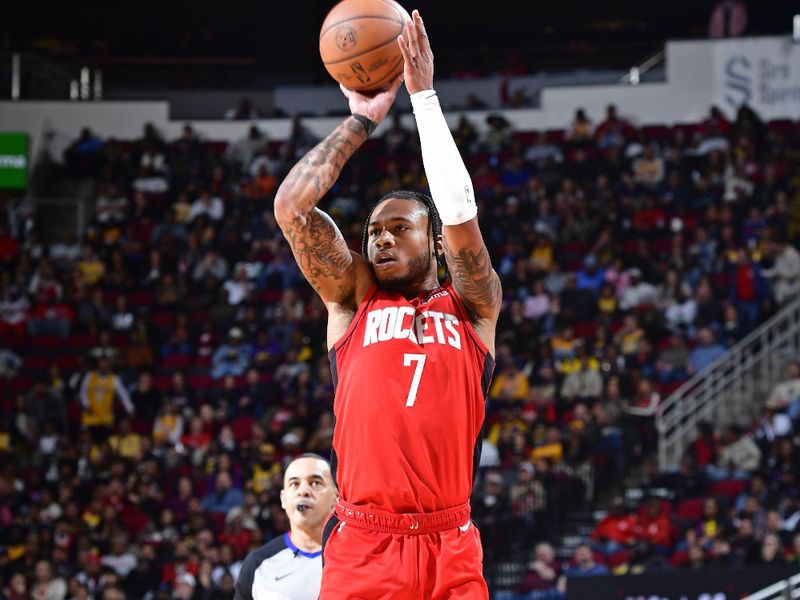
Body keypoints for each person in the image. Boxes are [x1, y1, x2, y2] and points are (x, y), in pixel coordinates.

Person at [272, 10, 501, 599]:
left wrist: (424, 100)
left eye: (400, 228)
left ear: (438, 248)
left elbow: (460, 212)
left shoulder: (473, 307)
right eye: (374, 229)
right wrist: (360, 119)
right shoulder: (353, 299)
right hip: (365, 544)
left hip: (451, 540)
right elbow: (291, 208)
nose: (381, 238)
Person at [235, 455, 338, 600]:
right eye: (294, 484)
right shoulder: (258, 563)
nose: (303, 491)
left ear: (337, 497)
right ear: (283, 499)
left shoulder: (356, 557)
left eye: (315, 483)